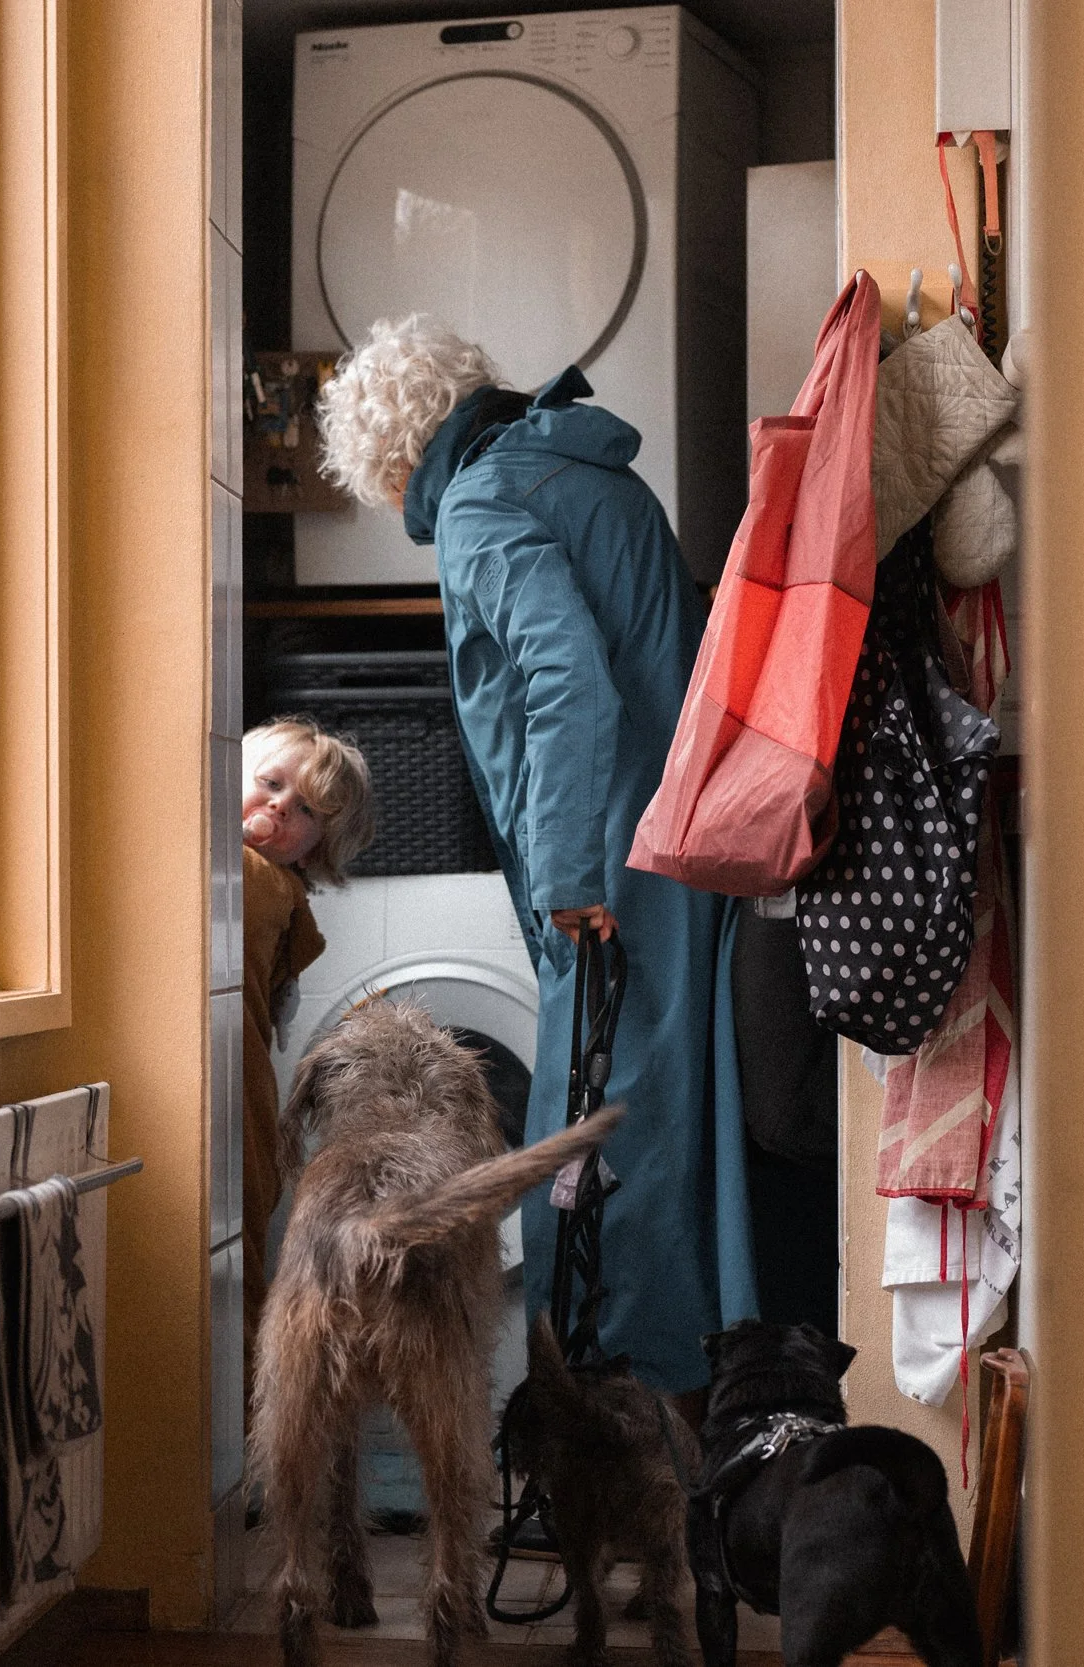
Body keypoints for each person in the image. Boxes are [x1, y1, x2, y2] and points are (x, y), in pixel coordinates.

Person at [313, 315, 755, 1397]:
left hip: (608, 870)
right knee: (661, 1136)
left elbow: (567, 681)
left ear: (389, 456)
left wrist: (563, 875)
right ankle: (680, 1416)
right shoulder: (568, 463)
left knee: (598, 1147)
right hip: (672, 842)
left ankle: (612, 1418)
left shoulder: (478, 501)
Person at [237, 717, 373, 1392]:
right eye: (268, 784)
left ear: (317, 846)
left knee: (240, 1266)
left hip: (247, 1090)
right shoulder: (266, 885)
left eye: (304, 812)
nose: (278, 808)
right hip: (248, 1084)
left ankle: (247, 1418)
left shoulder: (260, 881)